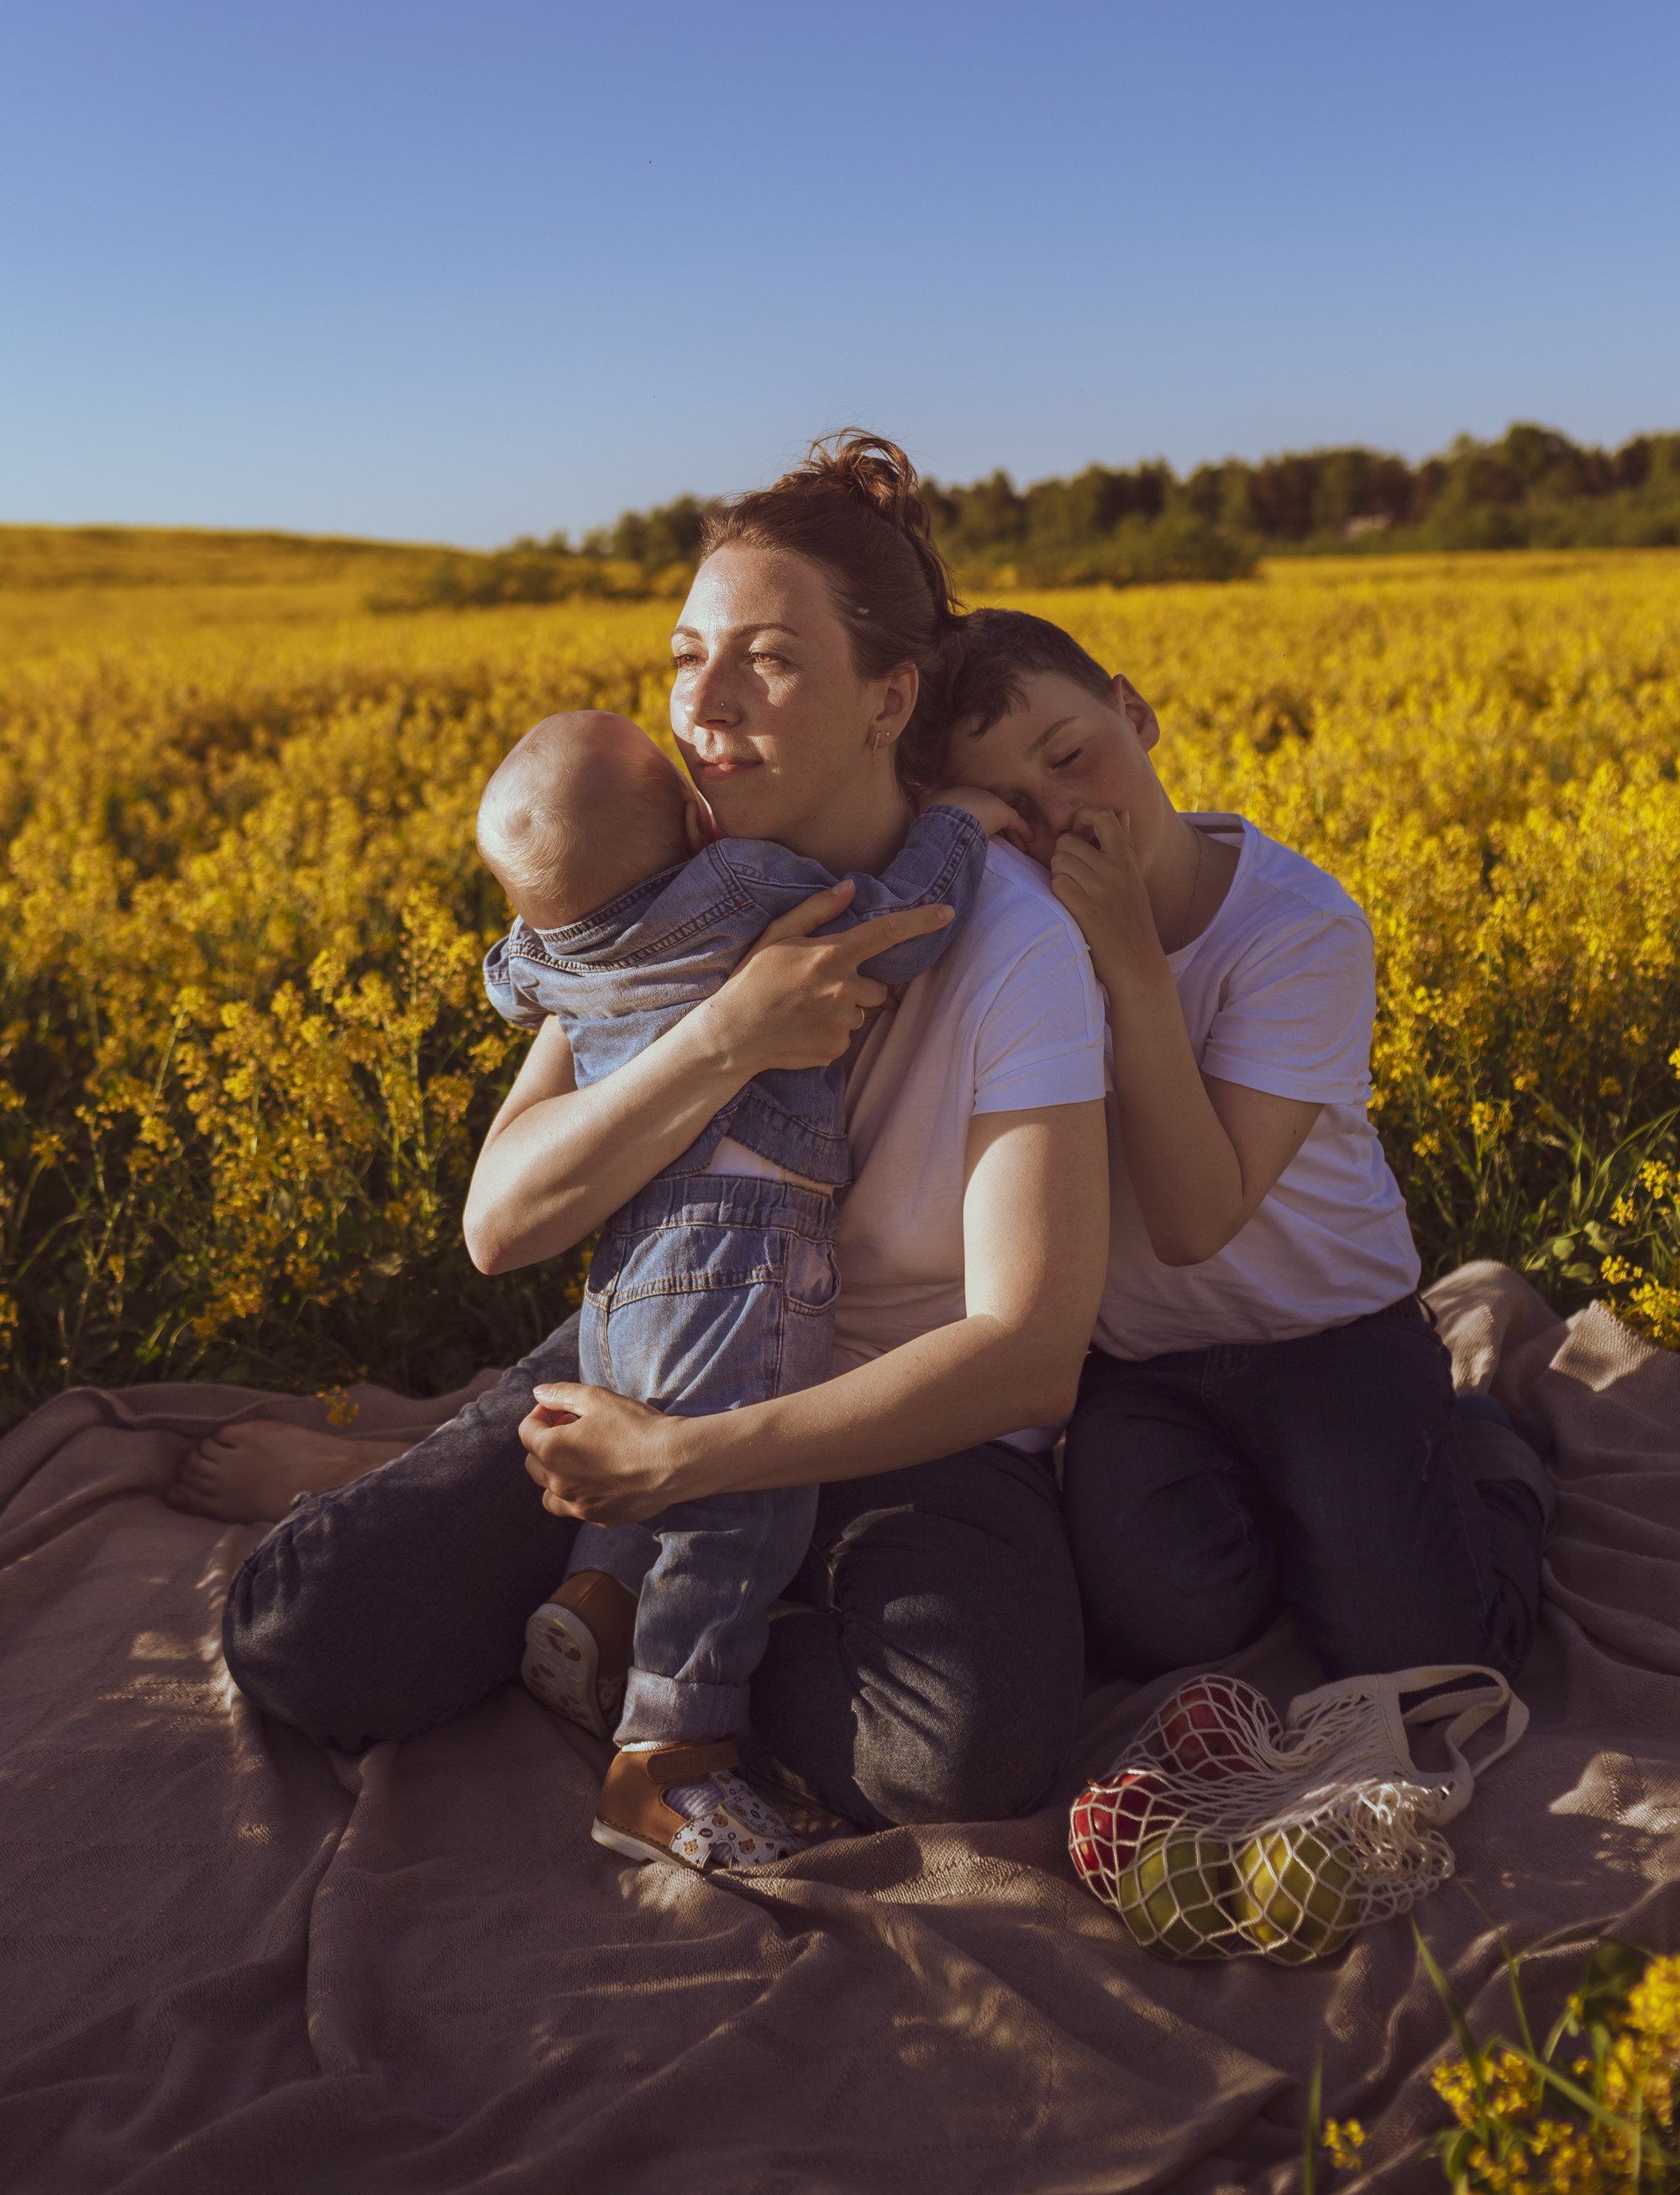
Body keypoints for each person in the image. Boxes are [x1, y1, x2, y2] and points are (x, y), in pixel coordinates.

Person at [201, 434, 1110, 1856]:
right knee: (308, 1643)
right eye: (687, 655)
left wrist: (691, 1466)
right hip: (661, 1348)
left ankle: (647, 1601)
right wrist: (727, 1036)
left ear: (890, 697)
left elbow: (1032, 1348)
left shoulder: (1014, 944)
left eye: (767, 660)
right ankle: (455, 1490)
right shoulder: (665, 910)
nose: (705, 703)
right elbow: (503, 1223)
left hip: (907, 1420)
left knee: (967, 1767)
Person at [934, 606, 1552, 1688]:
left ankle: (1489, 1451)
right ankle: (1334, 1512)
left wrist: (1132, 967)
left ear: (1137, 710)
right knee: (1160, 1629)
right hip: (1142, 1369)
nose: (1061, 816)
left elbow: (1193, 1220)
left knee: (1422, 1654)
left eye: (1075, 756)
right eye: (1006, 812)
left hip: (1331, 1333)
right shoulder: (1012, 939)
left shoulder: (1296, 927)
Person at [473, 706, 985, 1871]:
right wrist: (959, 821)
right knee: (743, 1506)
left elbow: (513, 983)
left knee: (635, 1450)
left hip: (622, 1273)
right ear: (697, 820)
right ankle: (668, 1761)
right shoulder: (742, 883)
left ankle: (596, 1610)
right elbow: (896, 932)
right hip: (737, 1257)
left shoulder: (545, 954)